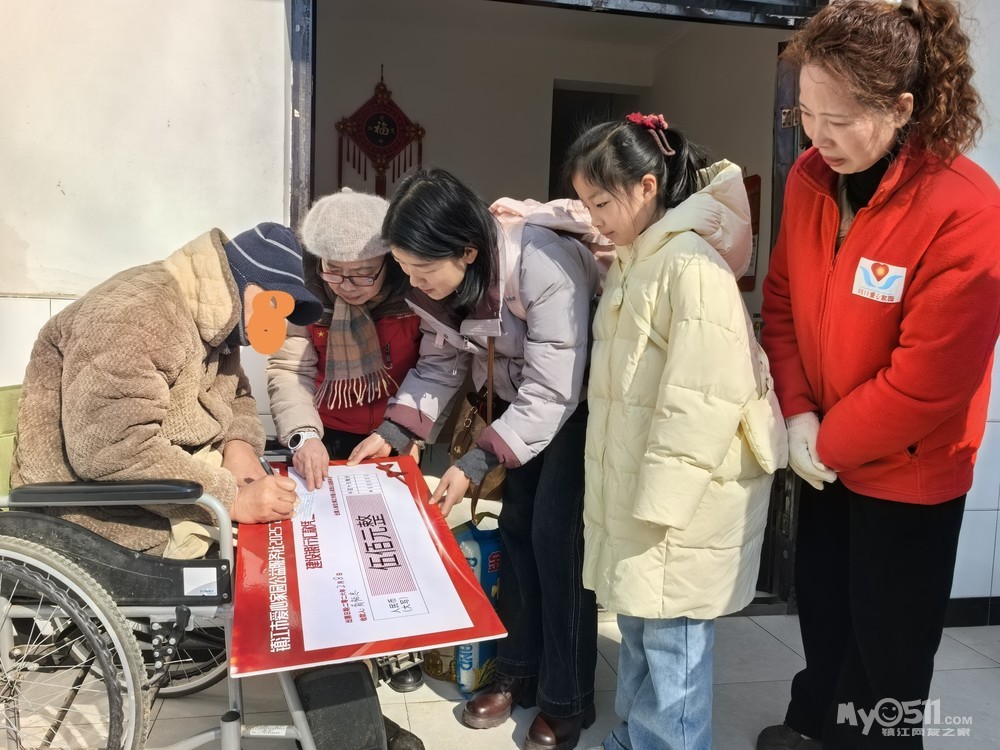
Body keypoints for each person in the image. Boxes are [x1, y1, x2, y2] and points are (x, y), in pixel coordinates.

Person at [756, 1, 1000, 748]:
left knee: (887, 657)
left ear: (901, 107)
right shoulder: (809, 179)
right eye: (805, 114)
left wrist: (825, 442)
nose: (817, 137)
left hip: (906, 473)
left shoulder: (963, 207)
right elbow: (782, 302)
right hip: (824, 453)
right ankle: (813, 726)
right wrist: (799, 414)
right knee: (825, 615)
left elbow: (928, 383)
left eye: (838, 119)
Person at [348, 168, 602, 750]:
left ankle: (568, 699)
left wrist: (475, 463)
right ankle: (516, 671)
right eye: (404, 269)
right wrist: (396, 429)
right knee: (516, 534)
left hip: (575, 410)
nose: (415, 283)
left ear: (467, 250)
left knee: (557, 545)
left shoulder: (541, 263)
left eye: (422, 270)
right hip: (515, 412)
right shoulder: (439, 285)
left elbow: (555, 390)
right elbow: (440, 364)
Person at [566, 113, 785, 750]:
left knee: (673, 645)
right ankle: (636, 738)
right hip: (642, 491)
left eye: (601, 202)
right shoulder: (638, 259)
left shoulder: (689, 263)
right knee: (640, 628)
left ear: (647, 186)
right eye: (585, 204)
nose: (594, 220)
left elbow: (703, 397)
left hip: (680, 503)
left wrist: (661, 503)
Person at [11, 223, 323, 558]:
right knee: (270, 559)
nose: (274, 323)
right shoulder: (134, 316)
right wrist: (233, 499)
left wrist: (240, 446)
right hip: (94, 511)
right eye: (274, 305)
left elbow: (237, 393)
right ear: (244, 281)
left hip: (170, 480)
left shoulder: (219, 318)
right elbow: (112, 450)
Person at [266, 188, 426, 694]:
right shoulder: (305, 295)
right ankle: (346, 651)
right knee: (335, 549)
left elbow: (435, 367)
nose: (347, 286)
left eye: (362, 274)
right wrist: (303, 436)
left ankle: (400, 643)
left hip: (395, 432)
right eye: (335, 273)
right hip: (326, 433)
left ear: (389, 263)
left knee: (393, 545)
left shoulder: (415, 293)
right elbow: (290, 369)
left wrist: (407, 430)